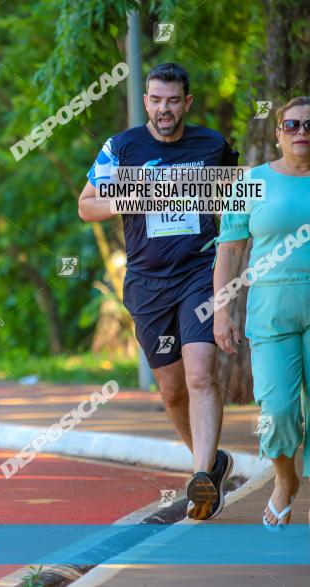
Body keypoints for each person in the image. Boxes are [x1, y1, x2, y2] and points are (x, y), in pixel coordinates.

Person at [77, 63, 236, 520]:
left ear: (187, 102)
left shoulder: (212, 146)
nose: (164, 109)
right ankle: (211, 463)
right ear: (146, 101)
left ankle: (201, 477)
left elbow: (240, 200)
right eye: (156, 100)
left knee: (200, 373)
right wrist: (136, 195)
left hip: (199, 272)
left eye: (173, 101)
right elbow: (86, 206)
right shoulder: (122, 147)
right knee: (171, 390)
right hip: (147, 282)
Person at [214, 96, 310, 529]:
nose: (301, 133)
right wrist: (221, 312)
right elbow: (230, 250)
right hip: (270, 311)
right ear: (277, 133)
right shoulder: (251, 182)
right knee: (277, 412)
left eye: (309, 125)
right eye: (292, 125)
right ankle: (285, 481)